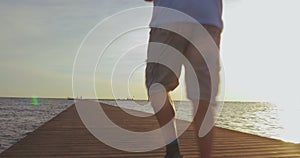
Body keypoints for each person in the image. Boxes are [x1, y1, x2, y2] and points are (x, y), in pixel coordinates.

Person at [144, 0, 223, 158]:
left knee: (156, 87)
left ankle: (172, 151)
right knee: (203, 97)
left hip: (169, 16)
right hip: (207, 18)